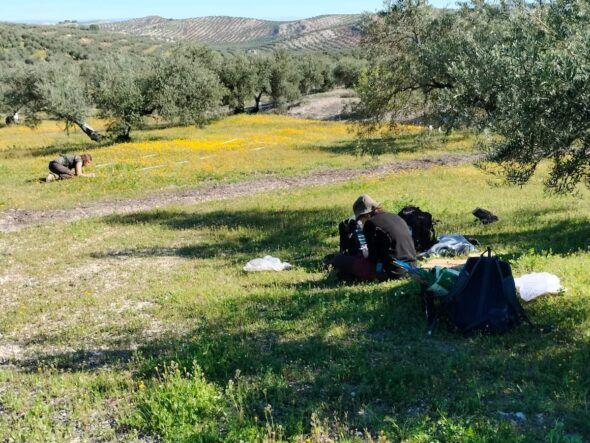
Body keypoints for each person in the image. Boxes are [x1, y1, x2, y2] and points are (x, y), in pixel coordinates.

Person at [331, 194, 417, 282]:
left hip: (394, 271)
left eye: (360, 219)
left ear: (366, 215)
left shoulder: (370, 223)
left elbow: (372, 258)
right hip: (412, 267)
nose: (360, 223)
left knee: (339, 259)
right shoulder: (395, 216)